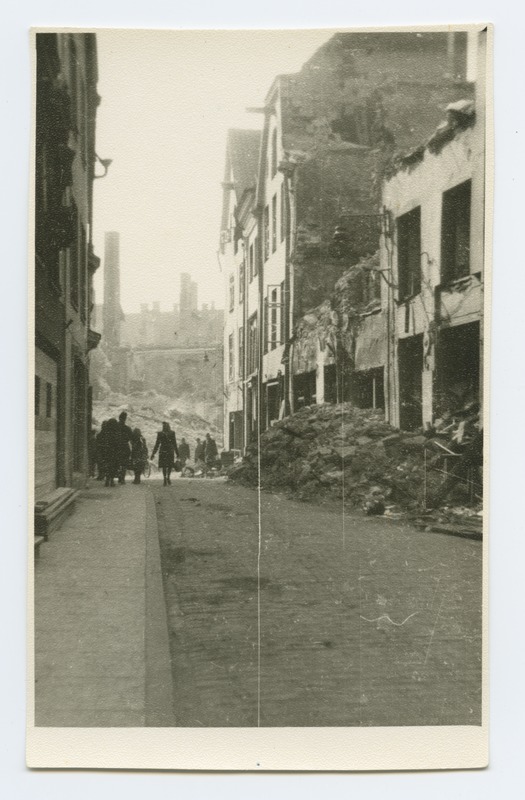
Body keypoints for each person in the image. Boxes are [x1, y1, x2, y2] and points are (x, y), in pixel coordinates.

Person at [151, 421, 179, 486]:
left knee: (164, 466)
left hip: (163, 450)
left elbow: (157, 444)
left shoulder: (160, 433)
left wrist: (153, 454)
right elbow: (174, 444)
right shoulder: (172, 433)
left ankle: (165, 479)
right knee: (169, 465)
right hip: (170, 450)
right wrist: (177, 453)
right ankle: (168, 478)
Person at [117, 411, 133, 484]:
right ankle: (122, 478)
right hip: (125, 447)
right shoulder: (127, 428)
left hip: (117, 447)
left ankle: (119, 476)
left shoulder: (115, 427)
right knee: (124, 464)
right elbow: (131, 439)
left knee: (117, 463)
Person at [104, 418, 121, 487]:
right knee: (113, 467)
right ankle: (111, 480)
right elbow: (118, 443)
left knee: (108, 466)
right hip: (114, 452)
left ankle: (107, 480)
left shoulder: (106, 432)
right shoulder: (116, 433)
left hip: (107, 452)